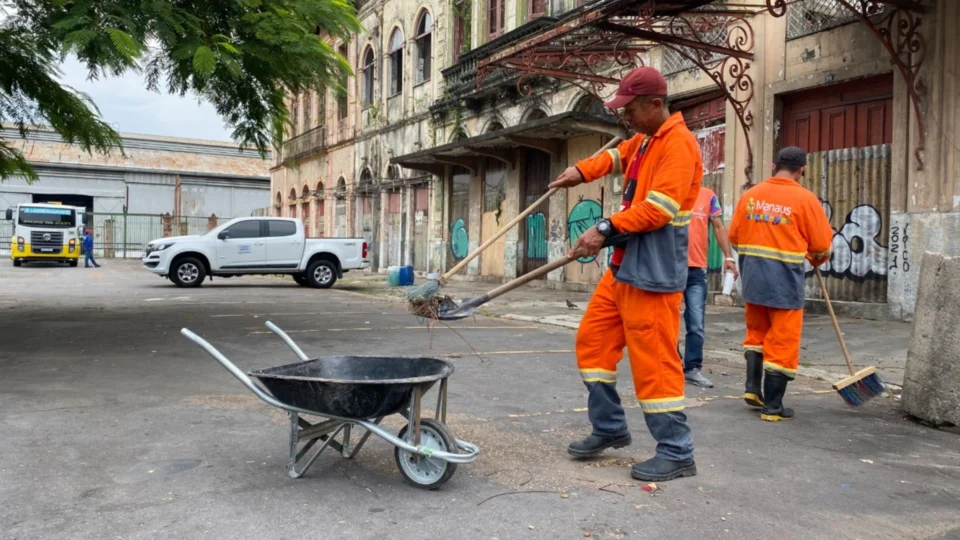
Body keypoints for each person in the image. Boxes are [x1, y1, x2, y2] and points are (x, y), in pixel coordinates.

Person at [549, 66, 702, 482]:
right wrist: (581, 172)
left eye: (630, 109)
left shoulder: (679, 145)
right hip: (623, 268)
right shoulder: (649, 138)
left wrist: (604, 229)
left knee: (655, 365)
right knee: (593, 345)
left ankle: (677, 450)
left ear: (655, 104)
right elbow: (616, 155)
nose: (625, 118)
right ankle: (610, 428)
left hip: (653, 272)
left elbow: (659, 209)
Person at [727, 147, 833, 421]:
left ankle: (753, 388)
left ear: (775, 165)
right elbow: (821, 246)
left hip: (752, 278)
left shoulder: (750, 196)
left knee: (757, 332)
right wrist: (815, 258)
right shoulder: (805, 200)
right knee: (783, 340)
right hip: (784, 281)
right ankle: (773, 406)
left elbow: (735, 237)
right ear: (802, 169)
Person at [680, 186, 738, 388]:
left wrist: (729, 257)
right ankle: (668, 363)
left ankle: (692, 368)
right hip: (668, 268)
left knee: (696, 323)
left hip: (696, 270)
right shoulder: (668, 189)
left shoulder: (708, 196)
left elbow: (719, 226)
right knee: (665, 321)